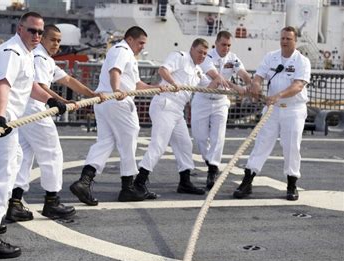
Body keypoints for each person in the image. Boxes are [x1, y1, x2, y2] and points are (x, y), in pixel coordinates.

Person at [0, 12, 64, 260]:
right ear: (20, 29)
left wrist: (52, 99)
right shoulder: (11, 52)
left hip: (2, 115)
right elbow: (3, 85)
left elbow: (31, 86)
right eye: (32, 30)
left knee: (17, 158)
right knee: (4, 172)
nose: (37, 36)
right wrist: (0, 118)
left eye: (40, 32)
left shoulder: (27, 53)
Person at [9, 24, 107, 220]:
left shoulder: (45, 59)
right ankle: (51, 202)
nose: (56, 44)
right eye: (53, 40)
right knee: (52, 153)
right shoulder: (39, 57)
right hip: (35, 109)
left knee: (25, 156)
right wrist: (61, 101)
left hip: (25, 111)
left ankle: (14, 202)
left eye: (59, 41)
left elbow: (68, 80)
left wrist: (92, 94)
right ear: (43, 38)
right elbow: (41, 86)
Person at [69, 26, 168, 205]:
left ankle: (85, 181)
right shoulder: (122, 50)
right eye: (140, 43)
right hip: (117, 101)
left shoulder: (126, 54)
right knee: (129, 140)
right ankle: (128, 187)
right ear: (130, 39)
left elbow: (136, 84)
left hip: (105, 102)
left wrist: (156, 88)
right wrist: (117, 90)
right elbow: (115, 71)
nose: (142, 47)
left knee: (105, 141)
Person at [133, 38, 221, 197]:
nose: (202, 56)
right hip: (165, 105)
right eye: (200, 52)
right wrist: (173, 83)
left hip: (177, 111)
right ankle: (139, 182)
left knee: (185, 144)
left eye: (205, 54)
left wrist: (219, 80)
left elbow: (207, 88)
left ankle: (185, 182)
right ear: (192, 49)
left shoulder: (198, 71)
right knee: (158, 145)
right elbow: (163, 70)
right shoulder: (180, 57)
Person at [233, 26, 311, 201]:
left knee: (291, 147)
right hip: (272, 109)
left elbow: (298, 86)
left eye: (288, 39)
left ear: (295, 41)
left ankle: (292, 185)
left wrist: (278, 96)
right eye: (282, 38)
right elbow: (259, 76)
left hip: (293, 110)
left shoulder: (302, 61)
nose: (284, 42)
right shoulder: (271, 57)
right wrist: (256, 85)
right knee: (261, 144)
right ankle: (247, 181)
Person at [191, 30, 251, 190]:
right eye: (223, 45)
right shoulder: (207, 57)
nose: (226, 48)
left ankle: (212, 169)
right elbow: (217, 78)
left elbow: (242, 72)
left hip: (220, 101)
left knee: (218, 136)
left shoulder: (233, 58)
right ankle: (210, 162)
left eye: (229, 45)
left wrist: (250, 83)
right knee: (199, 137)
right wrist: (236, 86)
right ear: (216, 44)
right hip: (202, 99)